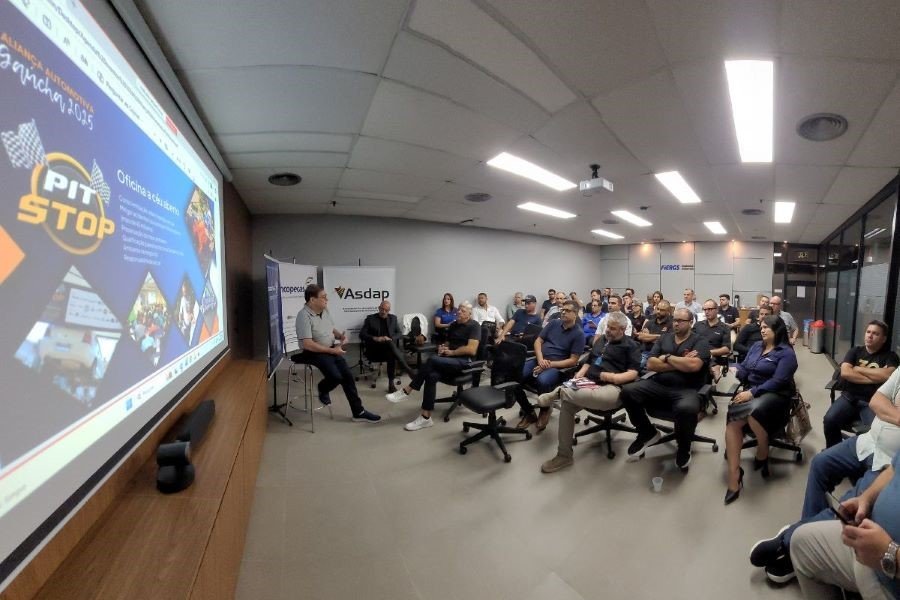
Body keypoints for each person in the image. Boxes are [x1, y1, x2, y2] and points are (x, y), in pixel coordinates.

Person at [749, 368, 900, 584]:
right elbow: (877, 401)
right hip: (869, 441)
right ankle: (806, 535)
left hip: (889, 459)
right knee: (820, 463)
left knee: (851, 503)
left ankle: (789, 542)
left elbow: (881, 400)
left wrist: (890, 409)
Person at [539, 312, 641, 473]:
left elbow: (634, 373)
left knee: (568, 395)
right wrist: (580, 374)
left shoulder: (631, 346)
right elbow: (589, 361)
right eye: (607, 327)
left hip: (613, 389)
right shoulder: (602, 340)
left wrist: (613, 377)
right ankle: (564, 455)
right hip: (590, 382)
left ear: (622, 329)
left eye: (613, 328)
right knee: (567, 405)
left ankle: (558, 393)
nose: (608, 330)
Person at [791, 459, 900, 599]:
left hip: (891, 583)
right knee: (801, 543)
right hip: (870, 548)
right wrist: (866, 499)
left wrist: (889, 555)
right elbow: (894, 469)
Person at [621, 307, 711, 471]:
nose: (676, 323)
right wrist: (681, 362)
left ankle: (684, 447)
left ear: (691, 322)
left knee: (686, 408)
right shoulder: (664, 338)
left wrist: (667, 357)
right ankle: (647, 432)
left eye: (680, 321)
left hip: (687, 389)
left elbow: (694, 366)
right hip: (659, 384)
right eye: (674, 320)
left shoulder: (700, 341)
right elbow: (650, 364)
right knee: (628, 391)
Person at [723, 315, 798, 504]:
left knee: (753, 412)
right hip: (752, 392)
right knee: (733, 419)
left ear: (777, 330)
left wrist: (752, 393)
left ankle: (763, 449)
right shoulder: (757, 346)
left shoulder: (786, 353)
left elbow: (778, 381)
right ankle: (734, 475)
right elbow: (745, 369)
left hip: (776, 395)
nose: (762, 330)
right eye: (761, 327)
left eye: (766, 327)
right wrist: (731, 368)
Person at [388, 302, 480, 431]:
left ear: (469, 314)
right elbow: (449, 342)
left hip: (465, 363)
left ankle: (407, 390)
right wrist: (443, 347)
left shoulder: (474, 326)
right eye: (459, 310)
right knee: (431, 376)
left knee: (431, 360)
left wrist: (452, 352)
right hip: (450, 360)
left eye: (463, 311)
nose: (459, 312)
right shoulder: (454, 325)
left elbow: (472, 350)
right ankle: (426, 418)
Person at [295, 284, 381, 423]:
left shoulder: (324, 310)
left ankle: (358, 412)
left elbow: (331, 328)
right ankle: (323, 388)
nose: (327, 299)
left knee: (348, 377)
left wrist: (340, 336)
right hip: (313, 352)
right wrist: (333, 350)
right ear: (312, 300)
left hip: (330, 349)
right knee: (335, 377)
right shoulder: (303, 316)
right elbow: (307, 344)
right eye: (323, 297)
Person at [823, 320, 898, 448]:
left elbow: (888, 375)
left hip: (872, 402)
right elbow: (846, 373)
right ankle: (833, 450)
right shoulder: (855, 351)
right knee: (829, 420)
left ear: (883, 339)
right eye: (868, 332)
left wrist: (858, 368)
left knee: (874, 432)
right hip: (849, 398)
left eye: (875, 333)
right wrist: (876, 377)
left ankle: (861, 456)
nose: (870, 336)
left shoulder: (890, 356)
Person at [514, 300, 584, 432]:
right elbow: (538, 341)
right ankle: (529, 412)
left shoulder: (579, 334)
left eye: (567, 310)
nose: (563, 312)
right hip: (540, 360)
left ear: (575, 314)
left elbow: (573, 361)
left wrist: (548, 364)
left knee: (542, 381)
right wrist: (541, 360)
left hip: (557, 367)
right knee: (515, 376)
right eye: (562, 310)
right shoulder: (554, 323)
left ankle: (545, 410)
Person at [359, 300, 413, 393]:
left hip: (389, 350)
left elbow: (399, 333)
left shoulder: (393, 318)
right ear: (379, 308)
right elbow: (362, 334)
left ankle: (391, 384)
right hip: (374, 349)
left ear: (389, 310)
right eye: (382, 309)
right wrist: (376, 338)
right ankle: (408, 369)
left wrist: (390, 338)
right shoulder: (370, 319)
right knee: (391, 349)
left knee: (390, 351)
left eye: (386, 310)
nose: (384, 312)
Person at [694, 299, 732, 379]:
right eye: (705, 309)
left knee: (706, 360)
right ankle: (714, 368)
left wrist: (708, 352)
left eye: (710, 309)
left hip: (713, 356)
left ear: (717, 310)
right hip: (695, 355)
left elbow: (726, 349)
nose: (707, 312)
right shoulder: (698, 325)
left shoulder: (724, 328)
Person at [637, 299, 673, 371]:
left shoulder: (671, 324)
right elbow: (641, 337)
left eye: (662, 310)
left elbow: (668, 340)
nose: (658, 311)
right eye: (658, 309)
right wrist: (660, 336)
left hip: (661, 355)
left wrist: (649, 336)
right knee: (635, 365)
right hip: (646, 352)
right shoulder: (649, 322)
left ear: (668, 311)